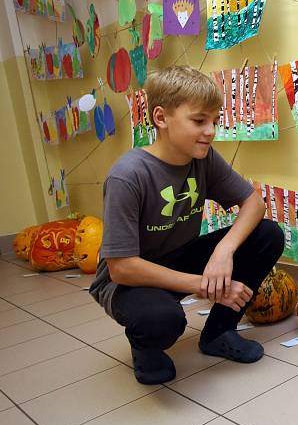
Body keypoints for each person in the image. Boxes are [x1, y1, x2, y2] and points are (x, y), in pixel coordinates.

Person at [89, 65, 284, 385]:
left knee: (268, 235)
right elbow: (122, 267)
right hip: (126, 281)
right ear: (161, 118)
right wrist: (202, 285)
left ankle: (219, 332)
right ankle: (145, 348)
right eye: (199, 121)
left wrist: (224, 250)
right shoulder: (128, 176)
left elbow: (255, 204)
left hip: (177, 255)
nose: (210, 131)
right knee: (162, 319)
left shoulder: (203, 159)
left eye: (214, 121)